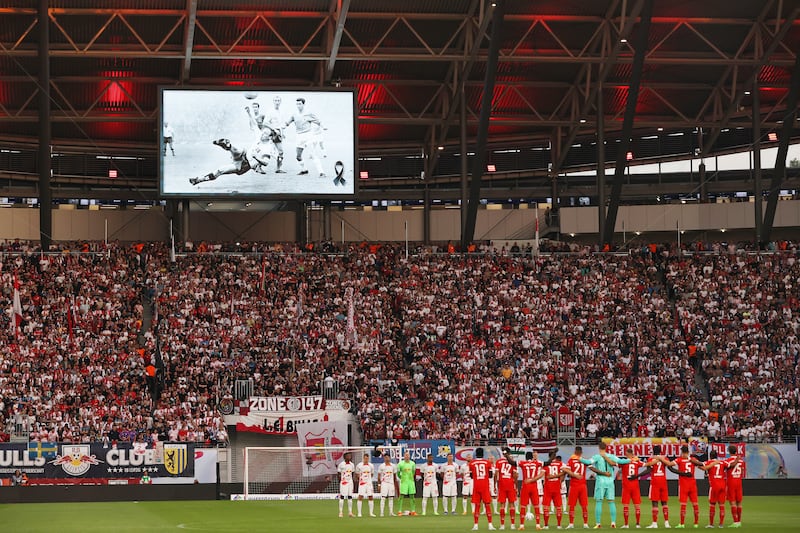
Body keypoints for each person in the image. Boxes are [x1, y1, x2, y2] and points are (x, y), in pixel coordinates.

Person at [662, 445, 722, 528]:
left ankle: (682, 524)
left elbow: (669, 464)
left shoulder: (680, 459)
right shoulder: (693, 460)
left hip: (683, 484)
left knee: (683, 504)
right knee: (695, 504)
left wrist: (661, 458)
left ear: (682, 451)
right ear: (688, 451)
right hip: (692, 484)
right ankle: (696, 524)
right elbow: (703, 467)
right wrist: (714, 463)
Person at [580, 441, 632, 529]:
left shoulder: (597, 456)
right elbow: (621, 461)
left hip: (601, 481)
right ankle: (613, 522)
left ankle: (598, 523)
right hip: (610, 481)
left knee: (599, 502)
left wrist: (578, 458)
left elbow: (588, 462)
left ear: (599, 448)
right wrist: (631, 459)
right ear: (606, 448)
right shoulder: (611, 456)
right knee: (611, 502)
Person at [284, 97, 326, 178]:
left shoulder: (309, 113)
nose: (298, 105)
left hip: (308, 135)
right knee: (298, 156)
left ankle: (322, 172)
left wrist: (323, 126)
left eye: (300, 104)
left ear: (303, 104)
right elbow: (287, 122)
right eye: (297, 104)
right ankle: (304, 170)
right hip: (299, 136)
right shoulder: (294, 114)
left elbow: (318, 121)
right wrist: (282, 127)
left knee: (313, 154)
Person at [639, 445, 671, 529]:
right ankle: (667, 523)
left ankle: (654, 523)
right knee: (664, 502)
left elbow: (648, 470)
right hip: (663, 481)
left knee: (655, 502)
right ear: (661, 451)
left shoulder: (651, 459)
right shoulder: (665, 459)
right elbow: (670, 467)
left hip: (655, 481)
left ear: (653, 451)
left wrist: (638, 475)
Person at [563, 446, 590, 529]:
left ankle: (571, 524)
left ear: (575, 451)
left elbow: (565, 469)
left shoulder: (571, 460)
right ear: (581, 452)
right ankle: (585, 524)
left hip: (574, 485)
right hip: (582, 485)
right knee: (584, 505)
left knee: (572, 505)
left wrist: (574, 474)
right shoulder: (584, 461)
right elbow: (591, 466)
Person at [470, 447, 496, 531]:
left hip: (476, 486)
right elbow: (491, 475)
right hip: (485, 486)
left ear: (476, 454)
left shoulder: (472, 463)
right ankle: (490, 525)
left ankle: (476, 525)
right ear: (483, 454)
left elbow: (471, 476)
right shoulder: (487, 462)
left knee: (477, 506)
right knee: (487, 505)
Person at [518, 451, 544, 531]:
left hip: (525, 486)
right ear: (532, 457)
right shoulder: (536, 463)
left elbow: (511, 462)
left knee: (523, 506)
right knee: (536, 506)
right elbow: (547, 463)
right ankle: (538, 525)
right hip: (534, 486)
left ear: (525, 457)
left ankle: (522, 525)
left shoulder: (523, 463)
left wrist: (506, 454)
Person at [620, 448, 646, 529]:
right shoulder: (637, 461)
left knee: (626, 505)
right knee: (637, 506)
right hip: (635, 486)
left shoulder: (624, 462)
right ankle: (638, 524)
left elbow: (614, 463)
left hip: (626, 486)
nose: (625, 454)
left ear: (628, 453)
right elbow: (647, 465)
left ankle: (626, 524)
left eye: (626, 453)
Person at [704, 450, 730, 528]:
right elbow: (729, 465)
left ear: (710, 456)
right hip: (722, 485)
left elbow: (702, 466)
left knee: (712, 504)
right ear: (717, 456)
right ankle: (721, 524)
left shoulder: (709, 462)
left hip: (714, 486)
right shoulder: (722, 462)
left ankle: (711, 524)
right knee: (721, 505)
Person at [494, 447, 519, 530]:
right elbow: (515, 475)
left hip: (502, 485)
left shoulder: (499, 462)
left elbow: (496, 474)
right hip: (510, 484)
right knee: (512, 504)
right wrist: (516, 485)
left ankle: (502, 525)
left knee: (502, 505)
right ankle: (512, 525)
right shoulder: (513, 462)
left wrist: (495, 485)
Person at [542, 450, 566, 529]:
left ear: (549, 456)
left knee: (546, 507)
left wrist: (551, 477)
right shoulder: (560, 464)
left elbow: (542, 474)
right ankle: (559, 525)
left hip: (548, 488)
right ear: (555, 456)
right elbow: (565, 472)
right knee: (558, 507)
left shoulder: (545, 464)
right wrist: (559, 478)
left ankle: (546, 525)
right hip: (556, 487)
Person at [725, 445, 745, 528]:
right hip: (739, 481)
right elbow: (743, 471)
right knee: (739, 502)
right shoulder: (741, 461)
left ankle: (735, 522)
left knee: (732, 502)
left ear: (729, 452)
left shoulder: (728, 460)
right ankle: (739, 521)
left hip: (731, 482)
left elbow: (726, 468)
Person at [396, 450, 418, 516]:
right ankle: (399, 511)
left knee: (412, 496)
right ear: (404, 456)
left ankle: (413, 511)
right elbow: (398, 473)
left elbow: (413, 472)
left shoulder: (413, 464)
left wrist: (410, 478)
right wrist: (402, 478)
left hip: (411, 482)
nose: (407, 457)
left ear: (410, 456)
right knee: (401, 496)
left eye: (408, 455)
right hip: (404, 482)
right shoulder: (400, 464)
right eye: (406, 455)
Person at [377, 453, 398, 517]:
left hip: (391, 484)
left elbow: (394, 476)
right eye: (385, 457)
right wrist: (379, 485)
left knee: (391, 498)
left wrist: (395, 485)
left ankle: (391, 512)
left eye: (388, 457)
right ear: (384, 458)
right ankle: (381, 513)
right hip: (384, 483)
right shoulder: (381, 466)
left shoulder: (393, 466)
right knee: (383, 498)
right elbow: (379, 476)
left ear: (390, 458)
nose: (387, 459)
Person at [356, 453, 377, 517]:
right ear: (363, 458)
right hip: (362, 483)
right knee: (360, 496)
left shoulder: (371, 465)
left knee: (370, 496)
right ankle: (359, 513)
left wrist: (368, 480)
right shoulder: (359, 465)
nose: (366, 459)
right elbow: (357, 474)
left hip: (369, 484)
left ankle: (371, 513)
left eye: (367, 458)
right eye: (365, 458)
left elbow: (372, 474)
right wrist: (362, 480)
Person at [337, 451, 356, 517]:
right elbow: (339, 474)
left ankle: (350, 512)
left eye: (350, 456)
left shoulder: (352, 464)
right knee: (342, 496)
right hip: (343, 482)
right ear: (344, 457)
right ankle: (340, 512)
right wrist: (341, 481)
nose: (349, 457)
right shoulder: (341, 464)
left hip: (350, 482)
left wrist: (350, 480)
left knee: (350, 496)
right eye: (348, 456)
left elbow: (352, 473)